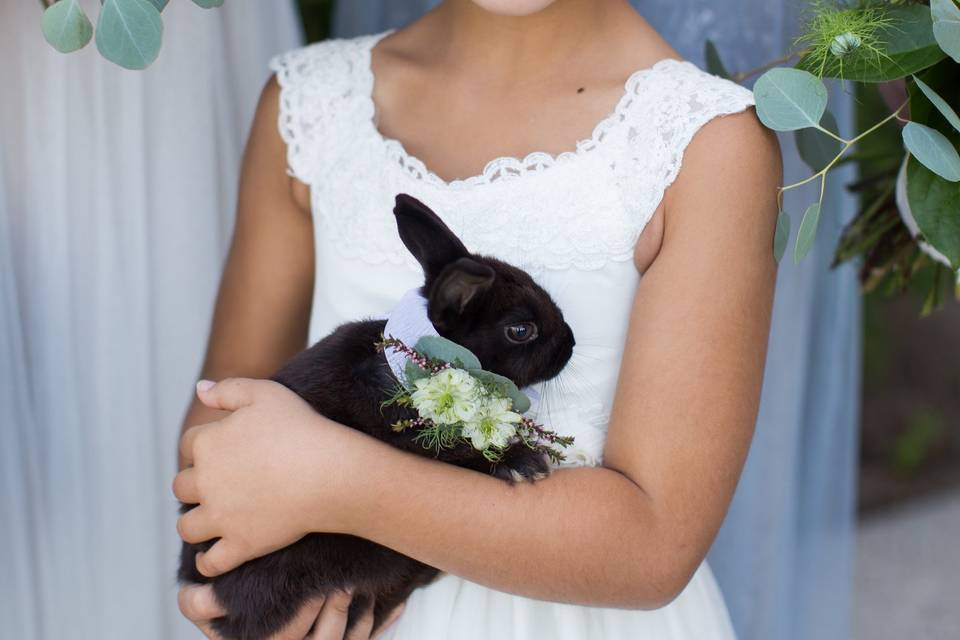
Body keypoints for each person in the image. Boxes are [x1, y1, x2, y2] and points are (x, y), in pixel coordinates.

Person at [173, 0, 782, 638]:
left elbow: (653, 549)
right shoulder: (309, 107)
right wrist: (231, 581)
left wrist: (336, 481)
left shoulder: (706, 145)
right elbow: (221, 411)